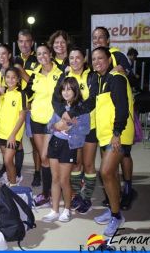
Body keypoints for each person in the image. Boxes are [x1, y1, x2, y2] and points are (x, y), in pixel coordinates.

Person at [92, 26, 137, 210]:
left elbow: (127, 83)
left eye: (101, 37)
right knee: (110, 171)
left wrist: (117, 131)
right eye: (95, 38)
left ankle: (127, 190)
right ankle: (114, 202)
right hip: (105, 128)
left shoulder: (117, 59)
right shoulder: (98, 73)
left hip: (118, 125)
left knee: (114, 164)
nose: (98, 40)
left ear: (108, 40)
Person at [51, 48, 99, 214]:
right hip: (71, 129)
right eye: (71, 58)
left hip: (88, 126)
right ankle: (77, 194)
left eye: (78, 57)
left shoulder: (92, 76)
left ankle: (87, 198)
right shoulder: (65, 75)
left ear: (84, 59)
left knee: (88, 164)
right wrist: (62, 114)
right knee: (76, 164)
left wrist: (71, 113)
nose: (75, 61)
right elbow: (55, 97)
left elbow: (92, 100)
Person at [43, 77, 90, 223]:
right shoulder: (59, 106)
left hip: (69, 146)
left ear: (75, 90)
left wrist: (74, 124)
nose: (66, 92)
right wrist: (56, 126)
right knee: (55, 178)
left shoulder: (82, 108)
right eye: (63, 89)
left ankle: (67, 209)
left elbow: (86, 129)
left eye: (69, 89)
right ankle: (54, 210)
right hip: (55, 143)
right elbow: (50, 125)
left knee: (64, 180)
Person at [25, 44, 63, 207]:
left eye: (45, 53)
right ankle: (47, 193)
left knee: (57, 158)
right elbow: (26, 93)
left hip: (55, 122)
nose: (42, 56)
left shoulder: (61, 72)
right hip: (37, 120)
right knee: (44, 158)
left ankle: (59, 189)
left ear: (50, 54)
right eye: (39, 54)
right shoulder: (35, 74)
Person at [0, 44, 26, 184]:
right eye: (8, 77)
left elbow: (22, 116)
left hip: (13, 134)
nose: (10, 80)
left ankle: (13, 184)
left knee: (7, 160)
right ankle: (11, 181)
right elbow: (0, 115)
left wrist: (13, 135)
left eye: (14, 78)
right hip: (1, 132)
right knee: (7, 161)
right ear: (4, 78)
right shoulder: (3, 94)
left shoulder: (21, 95)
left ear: (18, 79)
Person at [10, 29, 41, 187]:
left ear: (32, 42)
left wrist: (21, 72)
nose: (24, 44)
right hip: (16, 107)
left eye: (27, 41)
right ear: (17, 42)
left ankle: (37, 172)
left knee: (35, 143)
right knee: (16, 140)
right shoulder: (15, 59)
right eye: (21, 41)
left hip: (32, 107)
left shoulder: (38, 59)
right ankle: (16, 170)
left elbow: (37, 85)